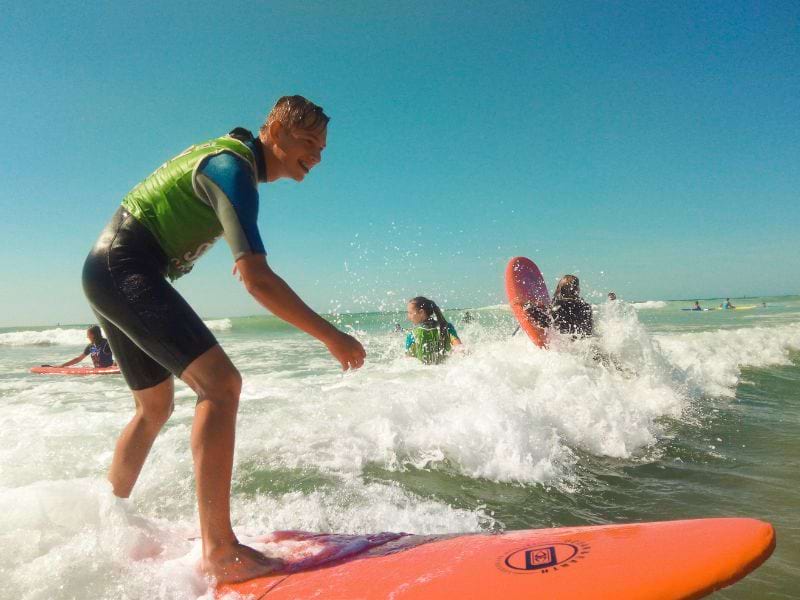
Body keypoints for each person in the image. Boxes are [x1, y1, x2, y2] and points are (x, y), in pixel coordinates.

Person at [81, 96, 366, 583]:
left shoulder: (232, 160)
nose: (317, 156)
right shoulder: (233, 168)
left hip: (108, 267)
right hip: (124, 266)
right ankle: (220, 550)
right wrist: (333, 337)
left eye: (322, 149)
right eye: (308, 143)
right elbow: (256, 279)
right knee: (221, 385)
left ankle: (107, 521)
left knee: (154, 408)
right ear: (274, 129)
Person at [405, 297, 462, 364]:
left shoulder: (413, 335)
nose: (408, 317)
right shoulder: (446, 327)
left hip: (424, 374)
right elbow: (460, 348)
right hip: (445, 372)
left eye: (410, 313)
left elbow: (408, 362)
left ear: (421, 312)